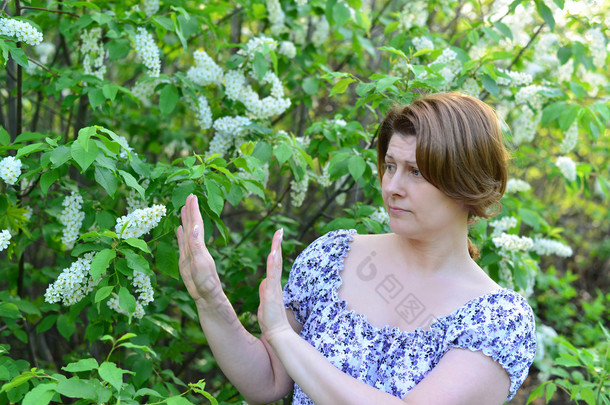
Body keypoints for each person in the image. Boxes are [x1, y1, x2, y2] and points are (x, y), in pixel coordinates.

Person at [176, 92, 537, 404]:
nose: (392, 186)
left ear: (466, 182)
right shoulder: (333, 257)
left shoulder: (497, 321)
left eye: (415, 172)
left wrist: (284, 336)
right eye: (390, 165)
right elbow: (268, 381)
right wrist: (211, 300)